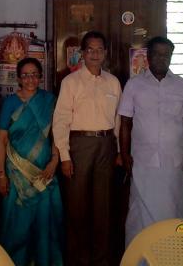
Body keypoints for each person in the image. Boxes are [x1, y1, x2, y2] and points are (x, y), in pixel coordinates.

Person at [53, 31, 121, 266]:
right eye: (90, 50)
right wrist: (64, 155)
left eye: (99, 49)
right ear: (82, 54)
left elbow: (119, 120)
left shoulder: (113, 82)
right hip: (79, 146)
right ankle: (78, 259)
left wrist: (119, 151)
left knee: (103, 207)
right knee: (77, 206)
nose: (95, 54)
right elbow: (61, 119)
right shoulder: (70, 82)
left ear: (105, 53)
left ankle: (102, 259)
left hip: (106, 146)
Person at [118, 36, 183, 246]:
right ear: (148, 57)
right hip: (142, 161)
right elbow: (125, 122)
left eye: (166, 54)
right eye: (157, 54)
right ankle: (140, 256)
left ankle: (171, 255)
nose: (162, 58)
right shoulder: (134, 85)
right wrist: (124, 154)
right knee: (140, 212)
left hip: (175, 161)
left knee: (173, 209)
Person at [0, 57, 63, 266]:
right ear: (18, 78)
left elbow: (58, 135)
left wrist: (54, 162)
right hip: (16, 173)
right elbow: (1, 140)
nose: (30, 79)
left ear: (40, 76)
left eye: (34, 74)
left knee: (45, 221)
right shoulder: (10, 103)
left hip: (44, 172)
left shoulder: (49, 101)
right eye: (25, 75)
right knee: (17, 223)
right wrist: (1, 174)